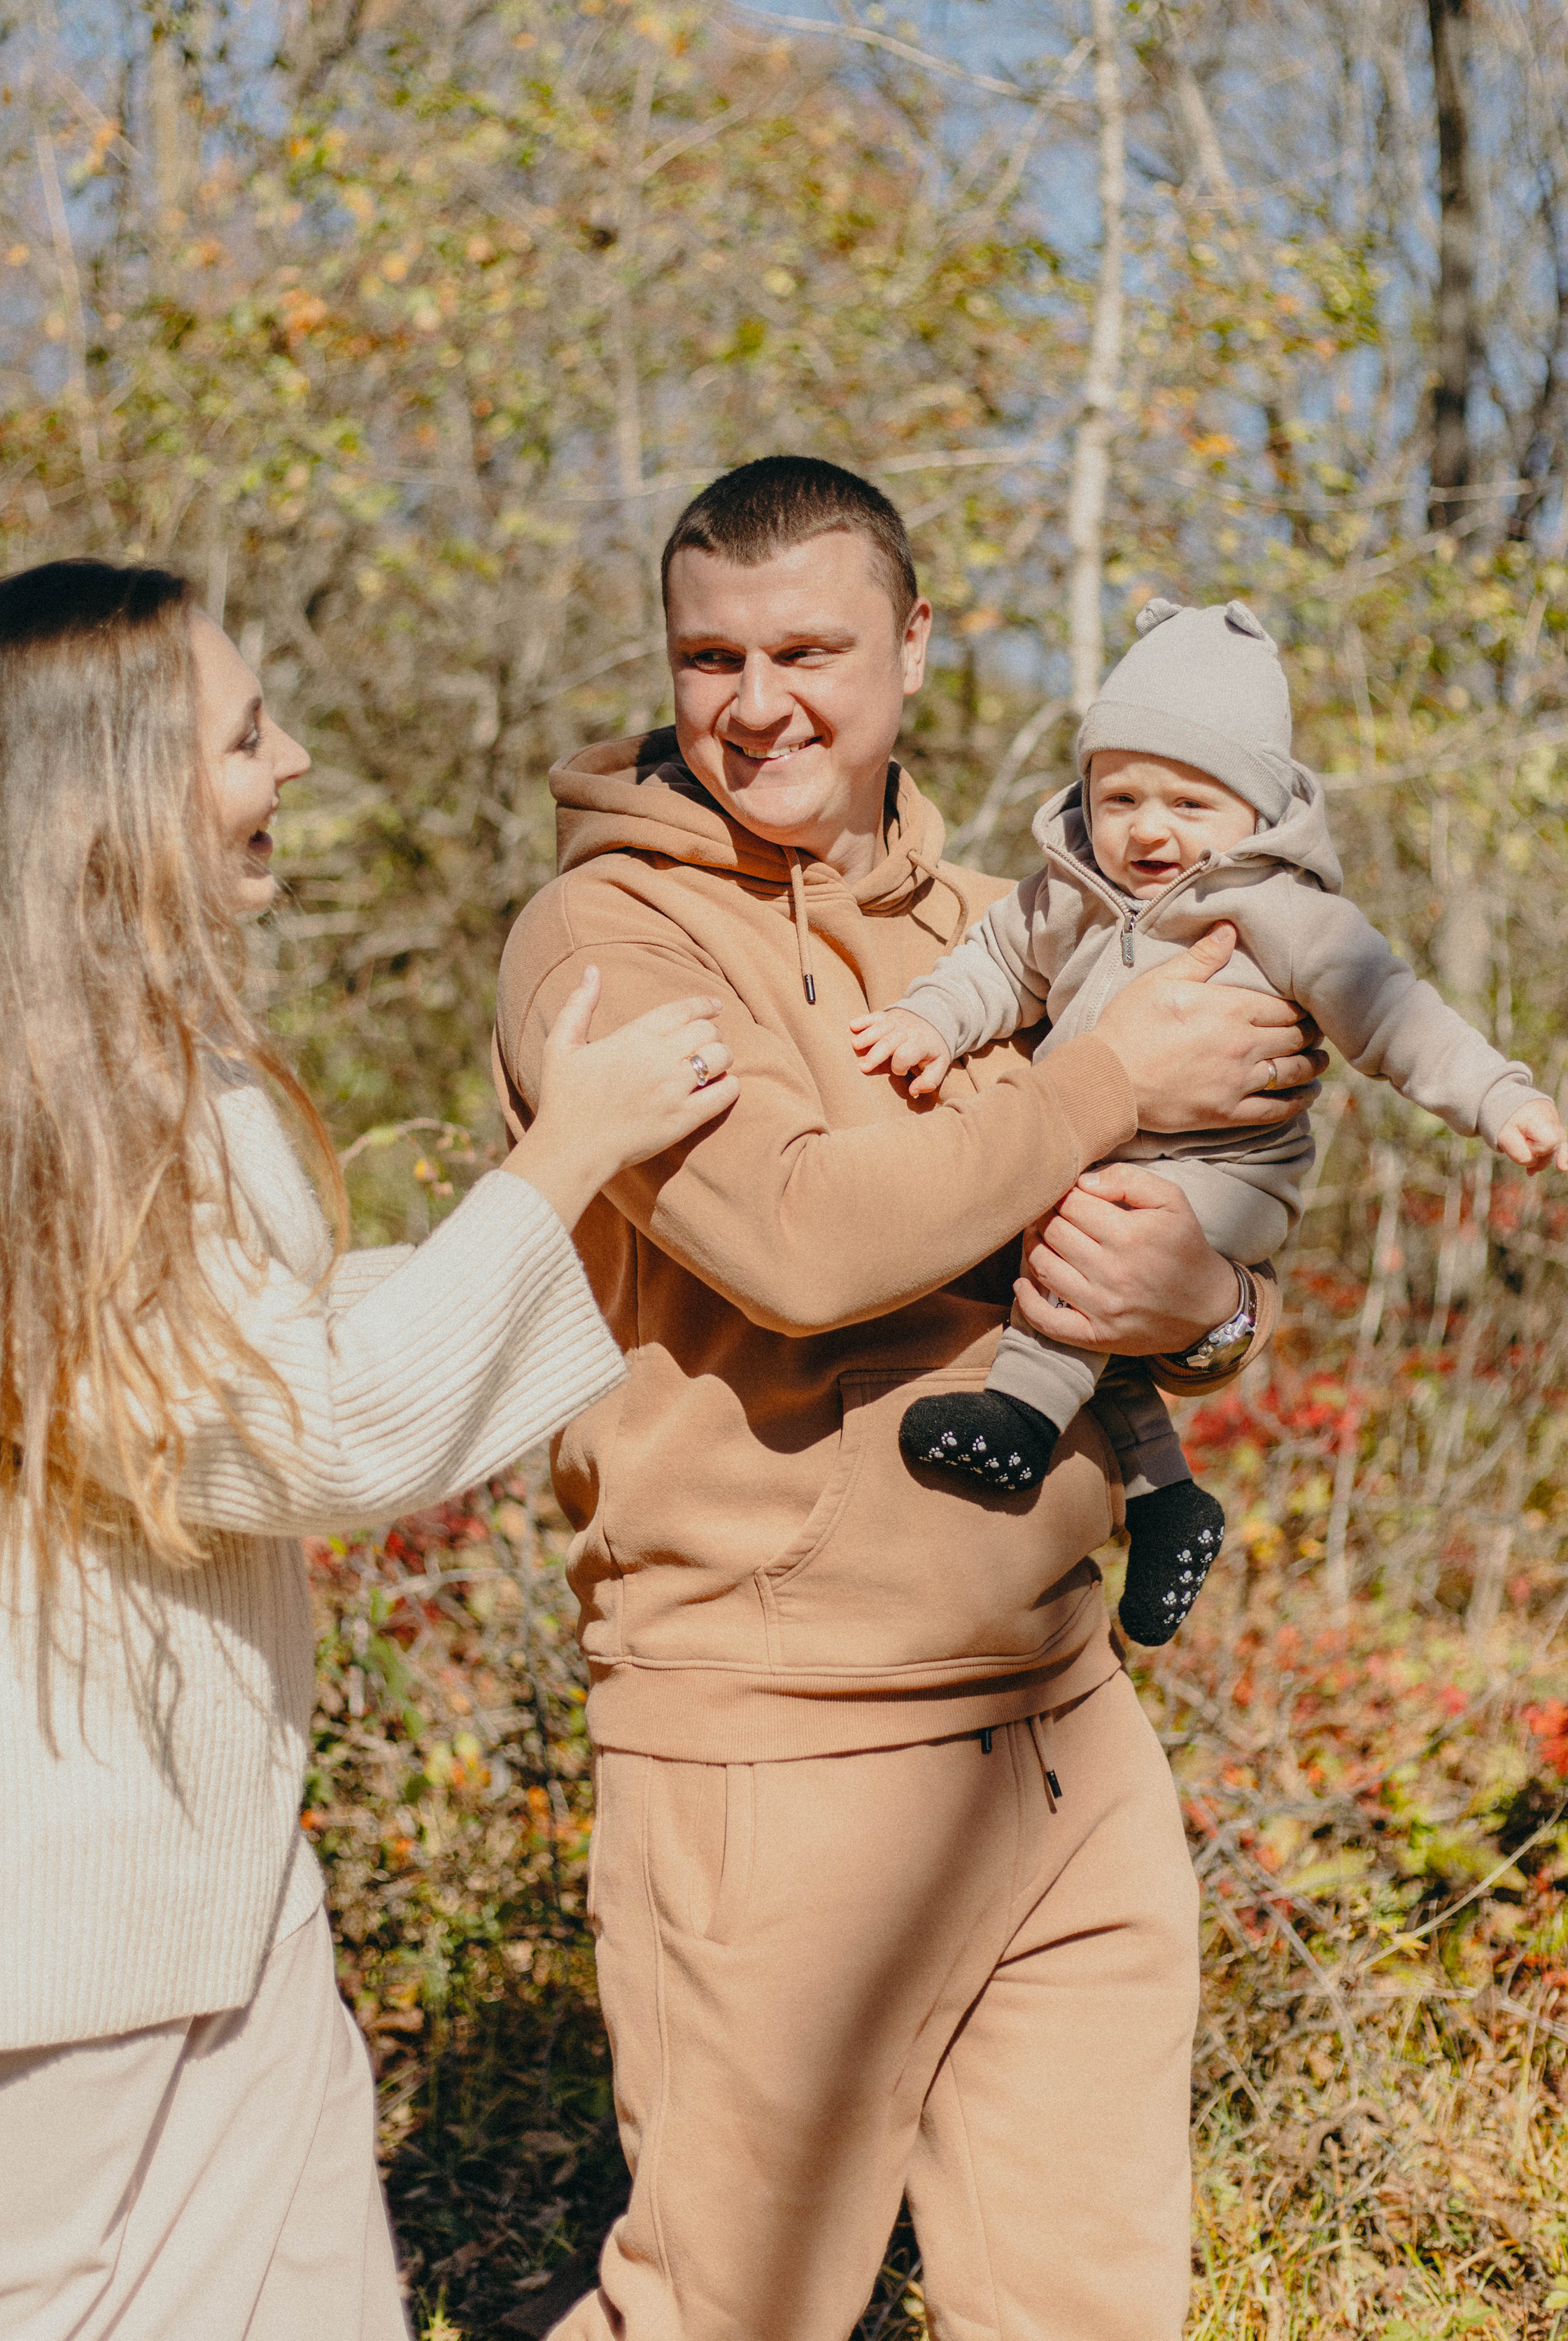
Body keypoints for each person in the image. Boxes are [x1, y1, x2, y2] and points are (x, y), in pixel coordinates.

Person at [492, 457, 1329, 2341]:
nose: (755, 703)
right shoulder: (610, 940)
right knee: (725, 2316)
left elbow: (1178, 1225)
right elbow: (800, 1244)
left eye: (807, 650)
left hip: (1061, 1723)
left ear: (915, 646)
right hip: (780, 1740)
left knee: (1092, 2310)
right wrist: (1106, 1079)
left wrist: (1208, 1310)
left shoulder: (1014, 917)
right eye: (711, 657)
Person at [0, 561, 737, 2341]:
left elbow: (246, 1340)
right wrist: (568, 1156)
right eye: (244, 737)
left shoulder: (126, 1055)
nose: (290, 761)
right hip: (41, 1920)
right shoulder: (23, 1098)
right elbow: (309, 1423)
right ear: (113, 790)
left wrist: (590, 1227)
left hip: (204, 1865)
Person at [854, 595, 1568, 1645]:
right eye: (1120, 796)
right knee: (1092, 1278)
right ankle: (1166, 1500)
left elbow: (1395, 1014)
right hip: (1115, 1143)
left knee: (1081, 1241)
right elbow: (996, 963)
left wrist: (1500, 1096)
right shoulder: (1070, 890)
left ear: (1258, 812)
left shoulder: (1287, 913)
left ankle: (1020, 1418)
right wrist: (929, 1019)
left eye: (1189, 801)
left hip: (1232, 1170)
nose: (1149, 828)